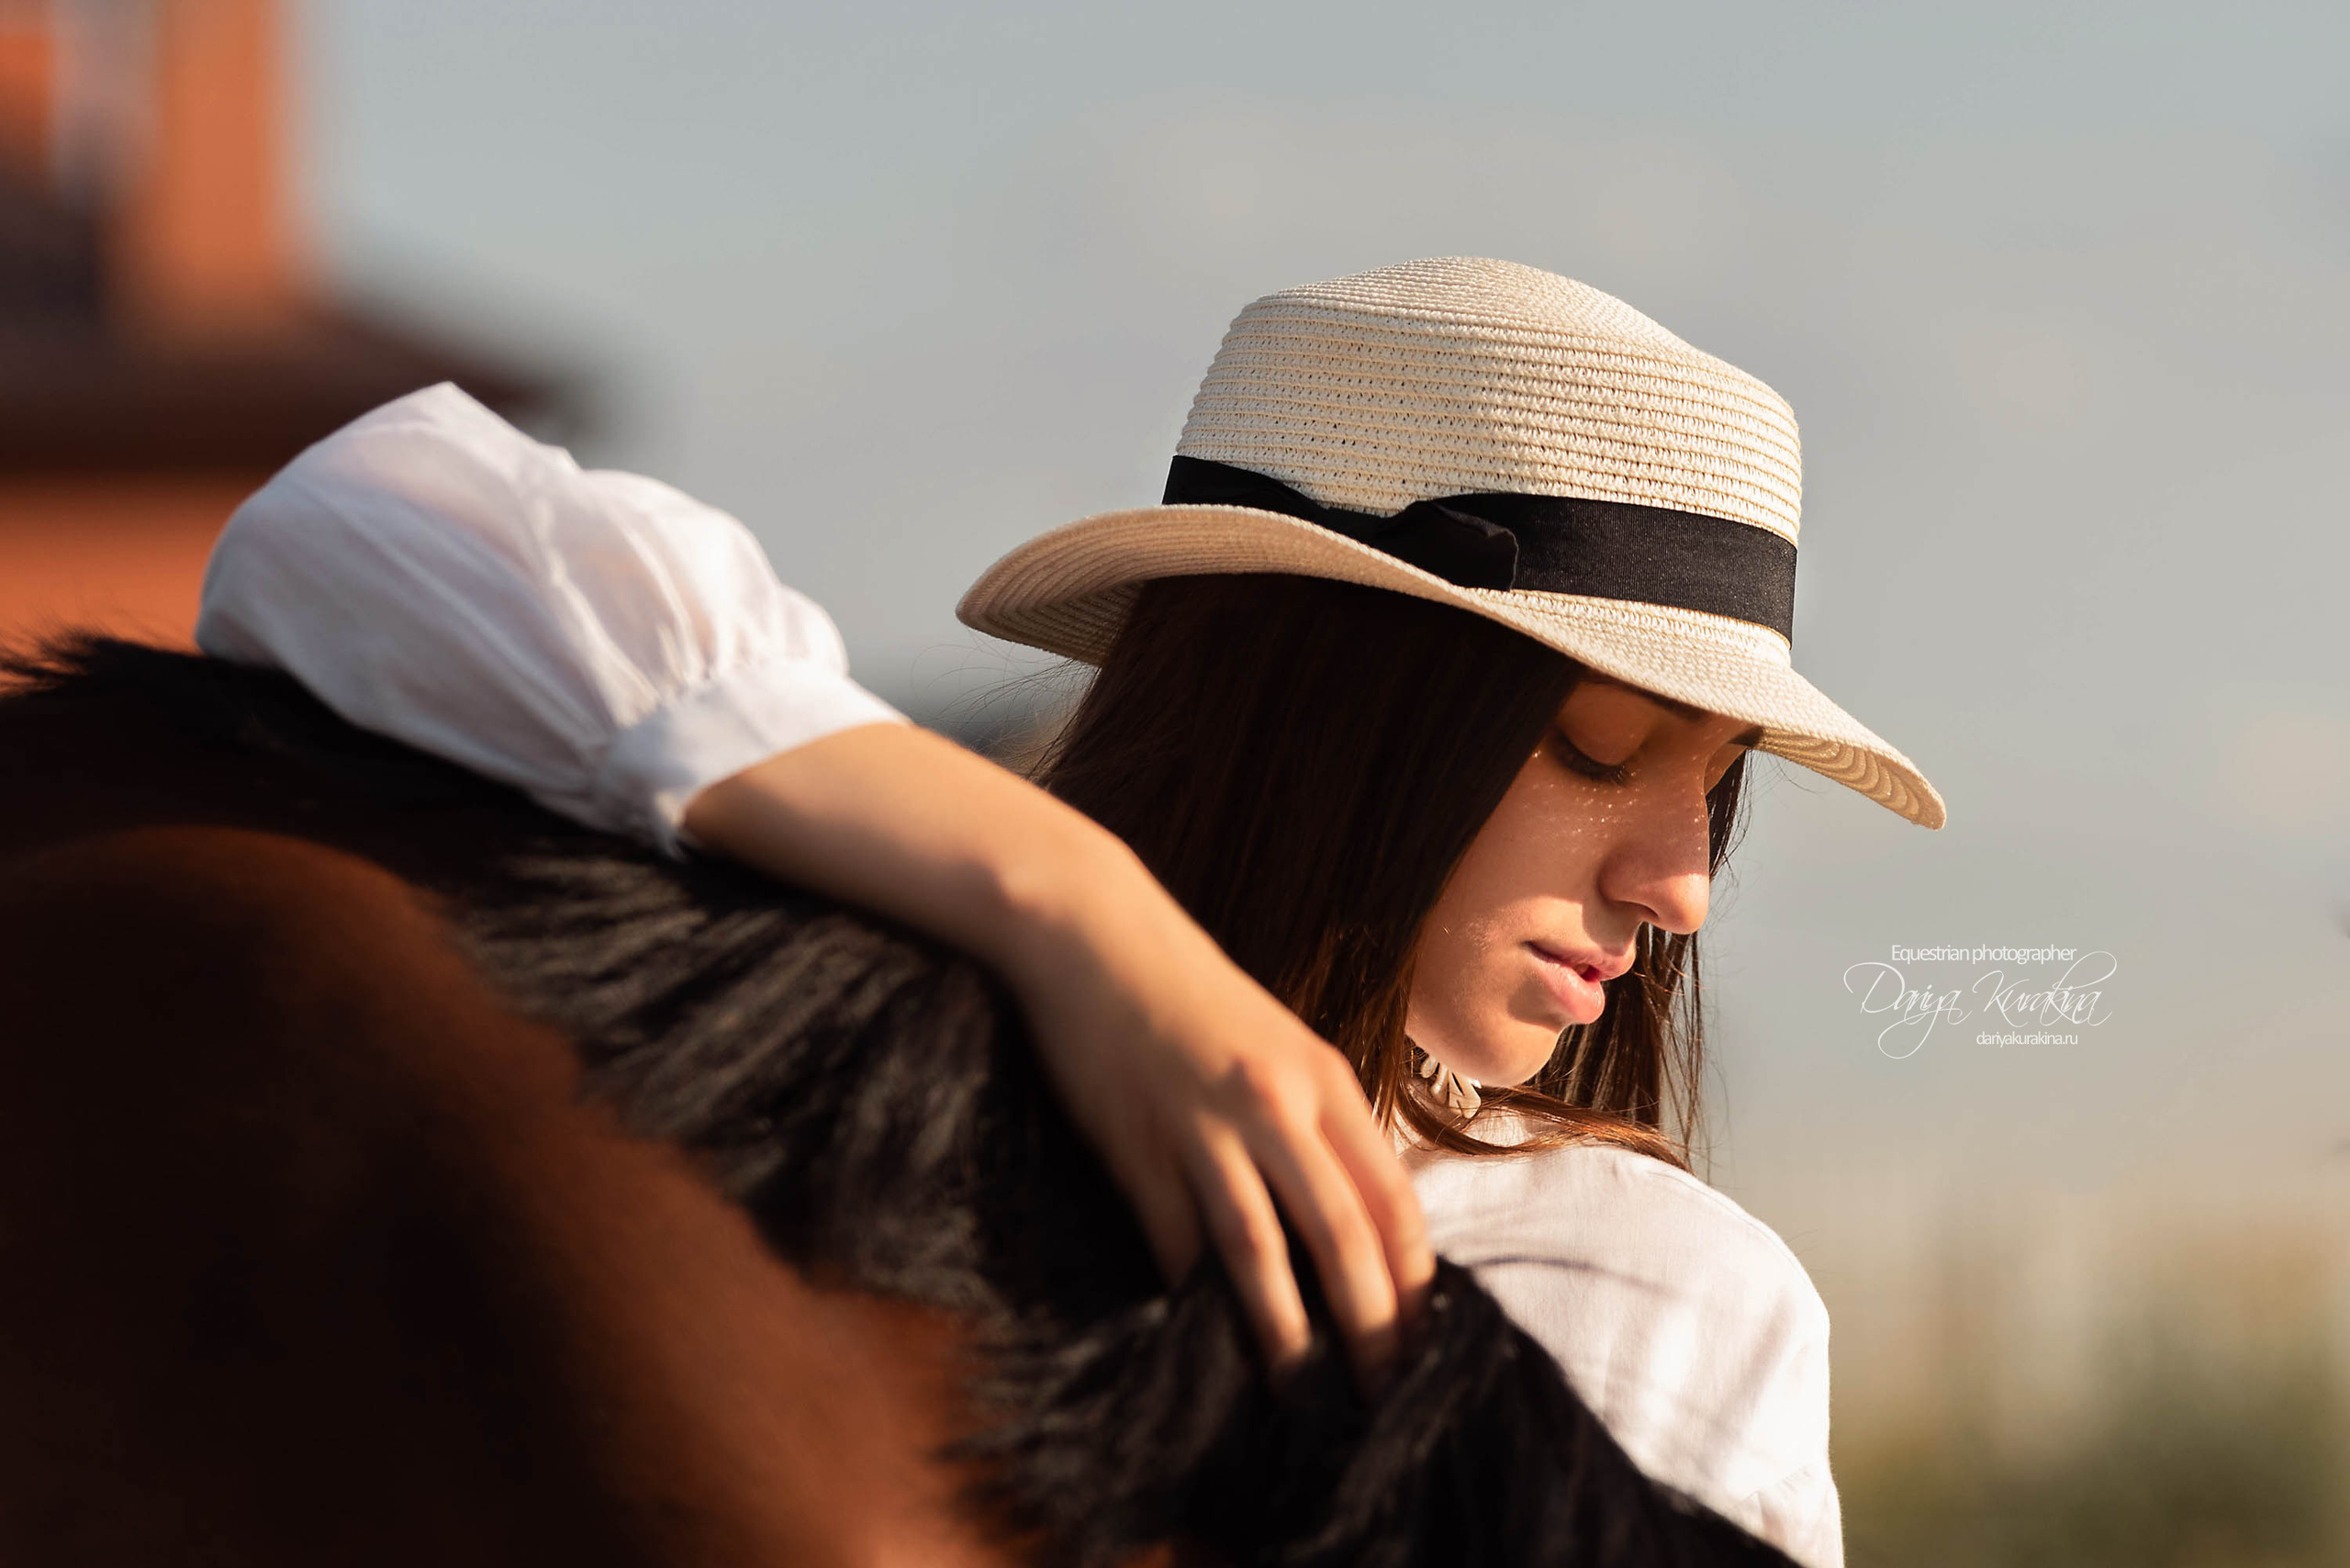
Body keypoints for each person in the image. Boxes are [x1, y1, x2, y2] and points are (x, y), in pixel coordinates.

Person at [195, 256, 1945, 1566]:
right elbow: (367, 518)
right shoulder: (860, 1083)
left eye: (1711, 787)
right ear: (1325, 719)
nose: (1684, 884)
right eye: (1596, 748)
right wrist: (1071, 916)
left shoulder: (1644, 1287)